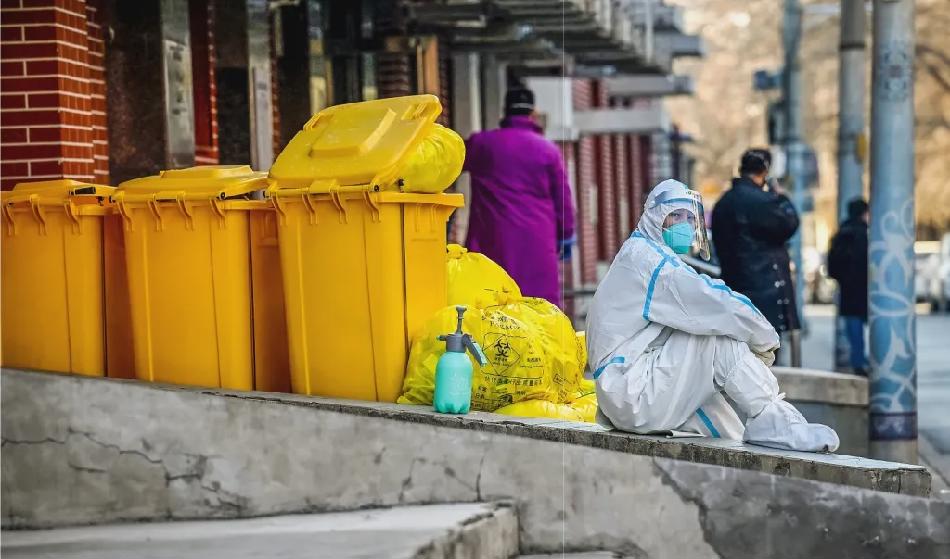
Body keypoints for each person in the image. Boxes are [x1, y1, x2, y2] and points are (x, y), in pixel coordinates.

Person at [586, 179, 839, 452]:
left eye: (689, 217)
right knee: (718, 340)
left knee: (727, 431)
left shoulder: (642, 254)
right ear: (655, 218)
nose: (684, 224)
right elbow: (712, 301)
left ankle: (757, 459)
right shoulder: (650, 263)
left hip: (631, 386)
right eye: (675, 216)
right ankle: (773, 416)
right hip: (632, 390)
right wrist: (763, 335)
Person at [463, 87, 576, 307]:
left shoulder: (482, 144)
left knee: (491, 305)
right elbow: (562, 196)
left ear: (505, 112)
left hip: (492, 241)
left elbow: (449, 163)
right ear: (532, 114)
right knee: (538, 308)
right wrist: (566, 234)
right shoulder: (548, 150)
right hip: (538, 243)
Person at [712, 149, 801, 340]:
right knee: (766, 355)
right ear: (765, 172)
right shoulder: (764, 202)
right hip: (766, 292)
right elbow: (790, 223)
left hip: (734, 291)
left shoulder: (723, 203)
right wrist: (782, 197)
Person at [827, 198, 870, 375]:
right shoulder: (864, 234)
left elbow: (832, 266)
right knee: (867, 327)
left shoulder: (841, 234)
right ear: (863, 213)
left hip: (848, 289)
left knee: (854, 327)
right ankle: (861, 363)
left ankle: (858, 360)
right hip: (864, 289)